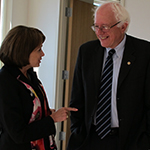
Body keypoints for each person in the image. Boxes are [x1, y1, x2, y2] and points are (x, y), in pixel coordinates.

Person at [67, 2, 150, 150]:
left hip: (130, 142)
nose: (99, 32)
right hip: (90, 139)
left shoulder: (145, 52)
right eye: (96, 26)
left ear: (123, 26)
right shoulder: (86, 52)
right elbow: (77, 98)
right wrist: (77, 131)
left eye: (104, 26)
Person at [0, 25, 78, 150]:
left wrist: (45, 113)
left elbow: (27, 111)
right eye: (39, 50)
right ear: (24, 51)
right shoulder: (5, 81)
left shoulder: (29, 74)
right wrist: (52, 119)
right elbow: (18, 134)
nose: (43, 54)